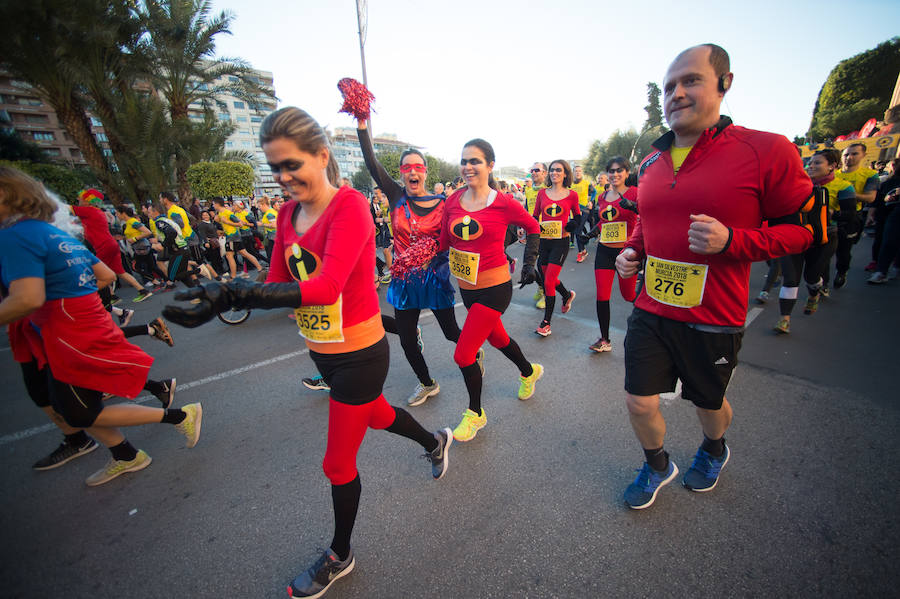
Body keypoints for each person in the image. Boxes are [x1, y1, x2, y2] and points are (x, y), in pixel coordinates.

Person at [162, 107, 451, 599]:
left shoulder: (351, 207)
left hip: (361, 355)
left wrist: (237, 294)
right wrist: (222, 289)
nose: (283, 177)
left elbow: (326, 285)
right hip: (322, 354)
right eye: (275, 167)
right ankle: (434, 441)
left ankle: (341, 554)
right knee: (378, 415)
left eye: (291, 164)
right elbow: (278, 281)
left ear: (321, 157)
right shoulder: (285, 213)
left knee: (337, 465)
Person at [614, 44, 813, 509]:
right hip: (652, 307)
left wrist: (734, 242)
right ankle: (658, 464)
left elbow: (800, 234)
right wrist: (632, 250)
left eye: (691, 80)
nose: (676, 93)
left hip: (714, 315)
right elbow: (647, 218)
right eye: (668, 87)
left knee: (708, 404)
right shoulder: (652, 163)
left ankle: (715, 448)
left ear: (725, 83)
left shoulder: (765, 149)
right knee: (638, 402)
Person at [0, 166, 201, 487]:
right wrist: (77, 297)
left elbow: (27, 299)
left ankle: (178, 415)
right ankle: (125, 453)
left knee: (78, 413)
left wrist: (66, 300)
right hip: (81, 321)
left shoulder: (14, 237)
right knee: (78, 403)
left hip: (66, 332)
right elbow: (105, 276)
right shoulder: (53, 233)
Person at [354, 115, 467, 407]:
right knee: (406, 339)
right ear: (401, 173)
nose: (412, 172)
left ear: (426, 172)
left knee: (452, 332)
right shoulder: (395, 196)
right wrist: (362, 124)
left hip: (435, 279)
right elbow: (371, 163)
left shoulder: (444, 204)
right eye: (407, 168)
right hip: (405, 283)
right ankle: (427, 383)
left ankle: (472, 352)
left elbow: (456, 239)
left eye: (418, 167)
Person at [440, 138, 544, 442]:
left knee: (463, 354)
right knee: (498, 339)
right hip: (467, 289)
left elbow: (533, 227)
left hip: (495, 289)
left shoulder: (503, 202)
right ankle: (529, 371)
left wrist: (530, 263)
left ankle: (475, 414)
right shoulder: (452, 200)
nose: (468, 166)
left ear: (490, 165)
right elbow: (445, 239)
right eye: (464, 161)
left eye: (475, 161)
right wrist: (427, 257)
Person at [773, 150, 850, 333]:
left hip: (824, 239)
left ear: (832, 166)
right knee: (790, 278)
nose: (812, 166)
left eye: (818, 163)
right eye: (811, 163)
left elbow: (851, 215)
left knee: (811, 276)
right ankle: (784, 320)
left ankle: (814, 292)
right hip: (795, 237)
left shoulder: (843, 187)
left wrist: (831, 214)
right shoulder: (797, 185)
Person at [583, 157, 638, 352]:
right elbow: (603, 223)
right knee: (602, 295)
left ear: (627, 173)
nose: (614, 174)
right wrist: (590, 234)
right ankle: (605, 339)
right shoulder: (602, 196)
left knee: (628, 295)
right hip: (604, 251)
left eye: (619, 170)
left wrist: (635, 206)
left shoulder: (635, 193)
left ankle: (648, 325)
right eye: (611, 171)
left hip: (627, 253)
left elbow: (648, 215)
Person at [72, 190, 152, 302]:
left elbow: (64, 208)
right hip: (111, 244)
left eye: (80, 198)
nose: (78, 200)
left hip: (102, 246)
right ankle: (142, 291)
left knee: (97, 271)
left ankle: (104, 298)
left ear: (87, 200)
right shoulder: (96, 211)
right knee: (120, 272)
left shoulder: (89, 211)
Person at [531, 159, 580, 337]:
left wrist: (571, 225)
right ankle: (566, 295)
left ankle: (546, 323)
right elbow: (535, 216)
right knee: (547, 278)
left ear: (565, 173)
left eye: (558, 170)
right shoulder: (542, 194)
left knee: (549, 281)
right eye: (552, 170)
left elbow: (578, 217)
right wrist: (527, 229)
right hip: (545, 241)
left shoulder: (572, 195)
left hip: (561, 242)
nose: (554, 173)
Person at [832, 143, 878, 287]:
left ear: (863, 155)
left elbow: (870, 198)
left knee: (843, 251)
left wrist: (847, 194)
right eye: (846, 154)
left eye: (854, 154)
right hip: (830, 216)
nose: (849, 158)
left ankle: (842, 272)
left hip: (850, 217)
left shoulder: (870, 175)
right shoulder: (833, 174)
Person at [868, 157, 900, 284]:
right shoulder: (887, 182)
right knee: (887, 241)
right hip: (888, 214)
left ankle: (895, 266)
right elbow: (877, 201)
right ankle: (881, 270)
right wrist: (871, 215)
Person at [524, 162, 548, 308]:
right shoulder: (528, 190)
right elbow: (526, 209)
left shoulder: (549, 190)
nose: (533, 173)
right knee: (530, 265)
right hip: (532, 232)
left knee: (542, 266)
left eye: (537, 170)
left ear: (545, 173)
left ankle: (545, 294)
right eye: (531, 170)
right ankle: (541, 286)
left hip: (547, 232)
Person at [571, 164, 595, 261]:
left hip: (584, 209)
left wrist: (591, 201)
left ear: (582, 173)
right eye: (576, 171)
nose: (578, 173)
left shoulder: (586, 183)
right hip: (573, 210)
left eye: (580, 171)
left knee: (578, 230)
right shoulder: (570, 184)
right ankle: (583, 248)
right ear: (573, 173)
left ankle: (581, 251)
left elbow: (594, 192)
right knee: (577, 230)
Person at [258, 195, 279, 261]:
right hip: (272, 237)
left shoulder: (269, 213)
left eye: (259, 206)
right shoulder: (269, 212)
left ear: (264, 205)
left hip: (274, 237)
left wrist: (262, 224)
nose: (259, 208)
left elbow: (274, 225)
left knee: (272, 256)